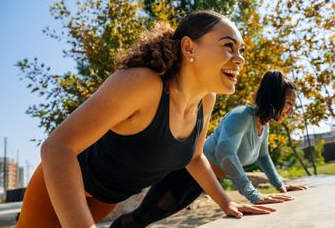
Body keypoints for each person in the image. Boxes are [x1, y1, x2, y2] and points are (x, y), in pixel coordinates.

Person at [15, 10, 276, 228]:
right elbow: (57, 148)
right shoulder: (142, 83)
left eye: (241, 50)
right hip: (58, 190)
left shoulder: (206, 100)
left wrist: (226, 202)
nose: (240, 58)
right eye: (228, 46)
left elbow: (195, 158)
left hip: (106, 199)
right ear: (188, 47)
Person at [111, 70, 307, 228]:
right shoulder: (241, 116)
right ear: (274, 98)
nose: (290, 110)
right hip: (184, 173)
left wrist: (280, 184)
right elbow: (225, 153)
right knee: (143, 216)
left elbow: (263, 156)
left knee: (150, 218)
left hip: (202, 181)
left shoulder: (263, 126)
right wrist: (253, 195)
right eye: (288, 103)